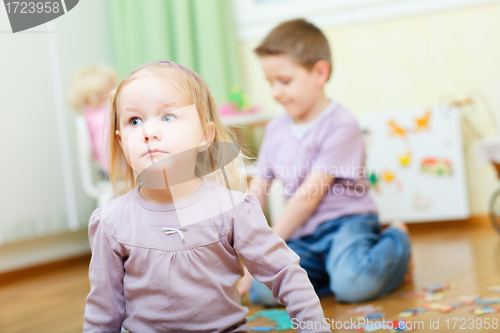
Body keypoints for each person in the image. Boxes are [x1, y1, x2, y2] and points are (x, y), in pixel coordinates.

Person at [82, 61, 330, 333]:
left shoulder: (233, 209)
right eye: (134, 121)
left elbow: (285, 273)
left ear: (205, 135)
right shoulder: (111, 221)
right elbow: (103, 311)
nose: (148, 132)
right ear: (120, 141)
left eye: (167, 117)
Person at [238, 19, 412, 305]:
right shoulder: (275, 130)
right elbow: (258, 188)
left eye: (284, 81)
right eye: (270, 83)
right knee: (264, 291)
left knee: (355, 286)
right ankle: (335, 272)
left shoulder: (340, 124)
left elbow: (308, 197)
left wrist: (268, 247)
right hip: (305, 235)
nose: (275, 93)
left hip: (346, 225)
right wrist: (244, 246)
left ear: (320, 73)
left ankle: (396, 238)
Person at [68, 64, 118, 177]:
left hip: (105, 168)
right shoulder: (106, 113)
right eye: (111, 85)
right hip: (115, 168)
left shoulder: (88, 114)